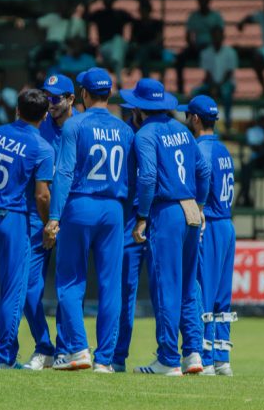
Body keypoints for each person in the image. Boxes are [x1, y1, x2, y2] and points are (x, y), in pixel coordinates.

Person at [43, 68, 135, 373]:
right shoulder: (125, 130)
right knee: (111, 285)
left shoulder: (75, 125)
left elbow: (65, 173)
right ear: (108, 94)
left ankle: (79, 349)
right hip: (113, 209)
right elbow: (134, 177)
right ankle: (105, 360)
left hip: (80, 205)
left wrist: (54, 217)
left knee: (70, 281)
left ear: (82, 94)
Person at [125, 78, 211, 376]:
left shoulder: (145, 134)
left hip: (166, 211)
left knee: (166, 284)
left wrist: (142, 216)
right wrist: (199, 206)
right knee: (188, 285)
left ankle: (167, 358)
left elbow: (147, 178)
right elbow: (202, 171)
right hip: (189, 208)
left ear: (140, 108)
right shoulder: (184, 131)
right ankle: (193, 353)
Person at [0, 89, 54, 369]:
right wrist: (48, 222)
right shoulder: (43, 147)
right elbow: (42, 195)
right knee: (12, 290)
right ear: (44, 116)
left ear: (17, 109)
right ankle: (4, 356)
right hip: (13, 217)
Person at [21, 74, 77, 371]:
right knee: (30, 289)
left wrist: (56, 221)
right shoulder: (37, 126)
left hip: (70, 216)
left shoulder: (82, 126)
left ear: (71, 98)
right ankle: (44, 346)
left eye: (56, 98)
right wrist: (47, 222)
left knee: (68, 289)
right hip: (37, 216)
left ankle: (65, 349)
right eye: (47, 97)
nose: (50, 103)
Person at [182, 95, 236, 376]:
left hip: (211, 223)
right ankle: (222, 356)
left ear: (196, 119)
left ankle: (203, 356)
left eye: (188, 115)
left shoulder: (199, 149)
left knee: (203, 288)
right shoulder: (224, 149)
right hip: (227, 223)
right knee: (221, 296)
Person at [112, 102, 145, 373]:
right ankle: (117, 355)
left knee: (166, 292)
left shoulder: (135, 134)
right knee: (125, 291)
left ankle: (180, 355)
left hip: (136, 220)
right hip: (132, 219)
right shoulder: (125, 134)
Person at [175, 0, 224, 93]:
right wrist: (192, 46)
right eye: (201, 0)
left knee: (212, 57)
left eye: (204, 0)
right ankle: (180, 89)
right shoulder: (193, 16)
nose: (203, 2)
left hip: (211, 47)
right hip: (196, 47)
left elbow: (220, 35)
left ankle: (210, 86)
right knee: (179, 58)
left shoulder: (216, 16)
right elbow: (188, 36)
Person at [194, 26, 237, 131]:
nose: (217, 38)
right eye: (215, 36)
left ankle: (228, 122)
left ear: (223, 37)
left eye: (219, 36)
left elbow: (229, 73)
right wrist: (213, 86)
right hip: (211, 84)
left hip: (226, 84)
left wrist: (218, 86)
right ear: (211, 37)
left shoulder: (230, 52)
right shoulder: (206, 53)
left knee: (226, 93)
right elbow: (207, 74)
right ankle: (199, 122)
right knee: (195, 93)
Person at [87, 0, 133, 87]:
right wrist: (90, 3)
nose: (108, 1)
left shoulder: (120, 13)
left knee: (118, 40)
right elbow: (85, 18)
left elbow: (135, 21)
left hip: (119, 47)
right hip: (105, 48)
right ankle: (118, 77)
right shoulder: (99, 14)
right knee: (117, 50)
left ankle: (115, 63)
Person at [128, 0, 164, 78]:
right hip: (141, 52)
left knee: (145, 50)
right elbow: (133, 40)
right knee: (144, 55)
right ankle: (146, 78)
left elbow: (159, 40)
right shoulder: (136, 24)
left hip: (154, 50)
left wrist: (148, 45)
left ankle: (136, 63)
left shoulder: (157, 23)